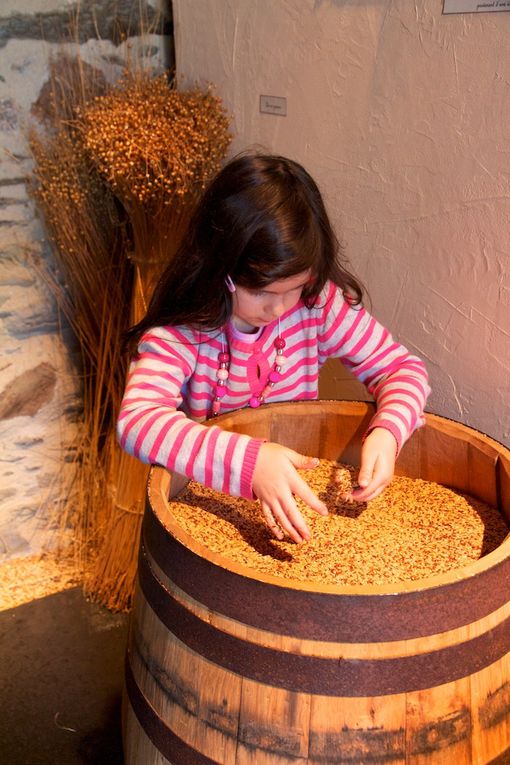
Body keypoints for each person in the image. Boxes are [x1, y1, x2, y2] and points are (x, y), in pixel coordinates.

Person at [118, 153, 430, 544]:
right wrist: (251, 464)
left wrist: (388, 432)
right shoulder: (186, 330)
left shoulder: (317, 305)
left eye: (293, 287)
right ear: (221, 270)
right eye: (260, 291)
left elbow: (402, 370)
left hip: (297, 487)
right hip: (212, 495)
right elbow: (137, 422)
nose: (279, 307)